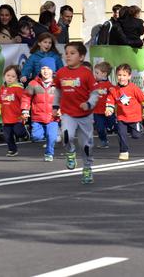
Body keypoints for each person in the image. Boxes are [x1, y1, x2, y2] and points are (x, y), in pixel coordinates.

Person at [53, 42, 99, 184]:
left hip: (85, 115)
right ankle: (70, 152)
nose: (68, 56)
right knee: (66, 135)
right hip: (68, 114)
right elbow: (57, 90)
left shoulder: (86, 73)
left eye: (72, 53)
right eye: (66, 53)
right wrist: (55, 106)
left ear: (81, 57)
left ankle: (87, 168)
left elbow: (95, 93)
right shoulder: (61, 72)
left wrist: (89, 103)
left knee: (86, 145)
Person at [106, 63, 144, 161]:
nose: (121, 78)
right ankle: (124, 152)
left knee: (136, 135)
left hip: (135, 117)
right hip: (121, 117)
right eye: (119, 75)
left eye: (124, 75)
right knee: (121, 134)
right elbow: (110, 101)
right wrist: (109, 109)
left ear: (129, 76)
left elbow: (143, 100)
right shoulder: (114, 90)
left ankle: (138, 127)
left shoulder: (134, 88)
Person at [21, 58, 59, 161]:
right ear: (39, 70)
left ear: (53, 70)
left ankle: (49, 153)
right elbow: (26, 97)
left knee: (52, 137)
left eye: (48, 68)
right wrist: (25, 110)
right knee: (37, 137)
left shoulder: (57, 84)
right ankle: (45, 135)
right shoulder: (34, 83)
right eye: (43, 68)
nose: (45, 71)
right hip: (37, 117)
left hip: (53, 117)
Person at [0, 65, 27, 156]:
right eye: (8, 75)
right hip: (6, 118)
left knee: (19, 133)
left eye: (13, 76)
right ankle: (13, 150)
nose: (10, 78)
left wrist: (25, 112)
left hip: (18, 118)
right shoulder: (2, 88)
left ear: (17, 78)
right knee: (7, 136)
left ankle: (25, 133)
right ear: (4, 75)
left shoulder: (18, 89)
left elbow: (25, 100)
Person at [92, 61, 116, 149]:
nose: (95, 75)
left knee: (111, 125)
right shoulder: (93, 84)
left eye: (97, 73)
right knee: (100, 128)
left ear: (104, 74)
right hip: (97, 111)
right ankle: (104, 141)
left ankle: (113, 127)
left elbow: (115, 95)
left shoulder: (109, 85)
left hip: (107, 111)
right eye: (95, 72)